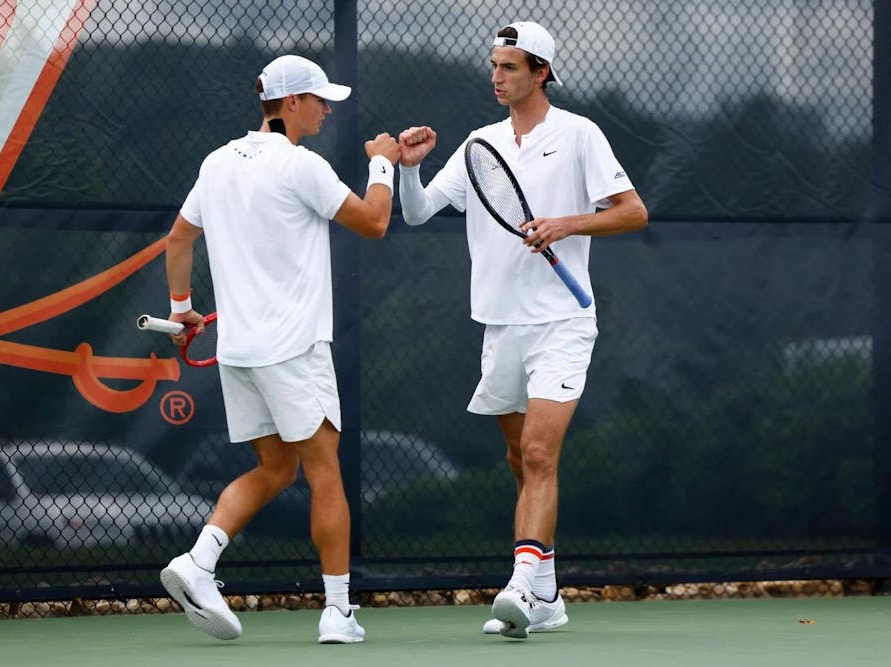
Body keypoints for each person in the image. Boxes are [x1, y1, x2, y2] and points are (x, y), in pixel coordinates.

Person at [397, 21, 648, 639]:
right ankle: (547, 593)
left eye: (509, 66)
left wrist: (567, 224)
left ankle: (520, 586)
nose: (497, 76)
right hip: (501, 325)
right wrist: (407, 170)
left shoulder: (580, 134)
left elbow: (633, 212)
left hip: (563, 323)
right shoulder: (478, 143)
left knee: (538, 452)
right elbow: (418, 212)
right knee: (520, 459)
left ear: (541, 73)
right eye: (494, 65)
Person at [159, 54, 400, 645]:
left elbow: (179, 239)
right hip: (293, 350)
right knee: (324, 474)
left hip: (241, 353)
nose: (326, 111)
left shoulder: (216, 162)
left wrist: (181, 308)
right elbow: (374, 222)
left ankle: (199, 560)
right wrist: (384, 163)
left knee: (276, 469)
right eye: (319, 100)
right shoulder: (301, 166)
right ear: (290, 103)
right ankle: (338, 613)